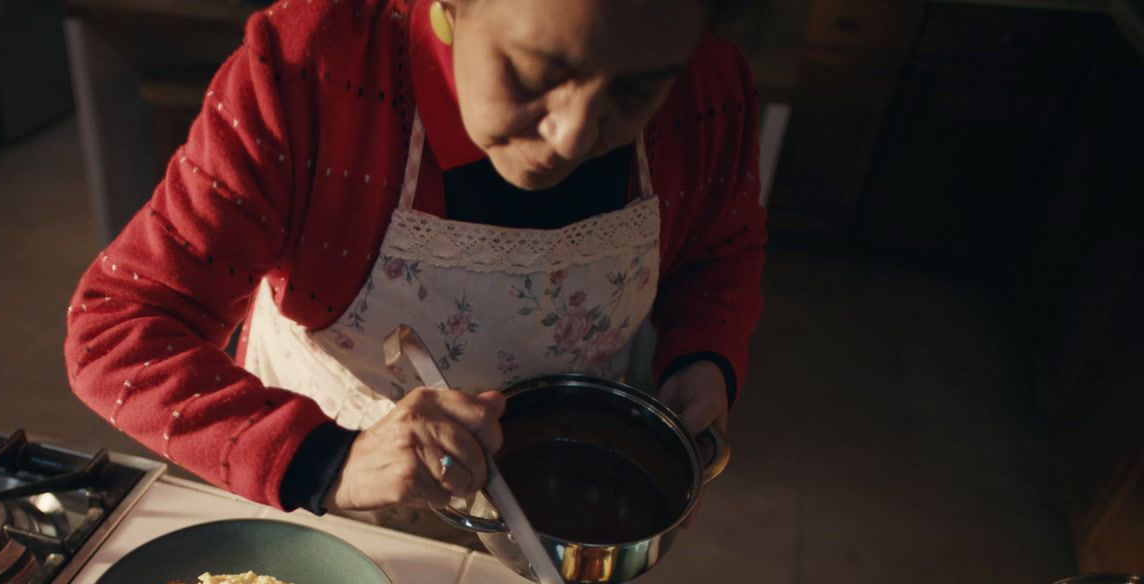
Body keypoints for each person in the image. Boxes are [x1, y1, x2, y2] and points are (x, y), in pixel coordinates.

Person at [65, 0, 764, 535]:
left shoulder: (707, 93)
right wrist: (325, 462)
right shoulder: (310, 73)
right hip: (326, 504)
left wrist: (702, 358)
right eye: (531, 73)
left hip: (547, 518)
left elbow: (717, 250)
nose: (574, 136)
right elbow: (117, 329)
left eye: (634, 93)